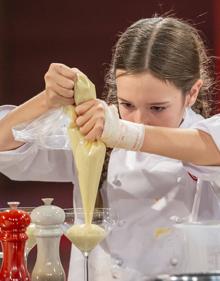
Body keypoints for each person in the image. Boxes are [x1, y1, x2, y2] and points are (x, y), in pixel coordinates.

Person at [0, 16, 220, 280]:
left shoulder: (204, 136)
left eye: (157, 108)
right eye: (127, 104)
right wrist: (47, 100)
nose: (139, 120)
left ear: (192, 92)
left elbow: (208, 147)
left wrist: (121, 132)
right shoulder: (96, 137)